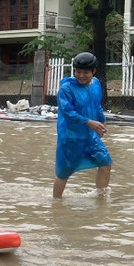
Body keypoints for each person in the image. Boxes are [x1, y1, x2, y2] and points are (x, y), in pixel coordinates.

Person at [53, 52, 112, 199]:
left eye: (85, 72)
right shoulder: (66, 89)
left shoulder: (96, 84)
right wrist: (89, 122)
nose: (81, 76)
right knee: (64, 172)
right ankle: (56, 203)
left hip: (90, 135)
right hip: (71, 137)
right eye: (78, 72)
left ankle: (101, 200)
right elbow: (68, 113)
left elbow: (96, 104)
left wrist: (102, 120)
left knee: (105, 163)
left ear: (93, 71)